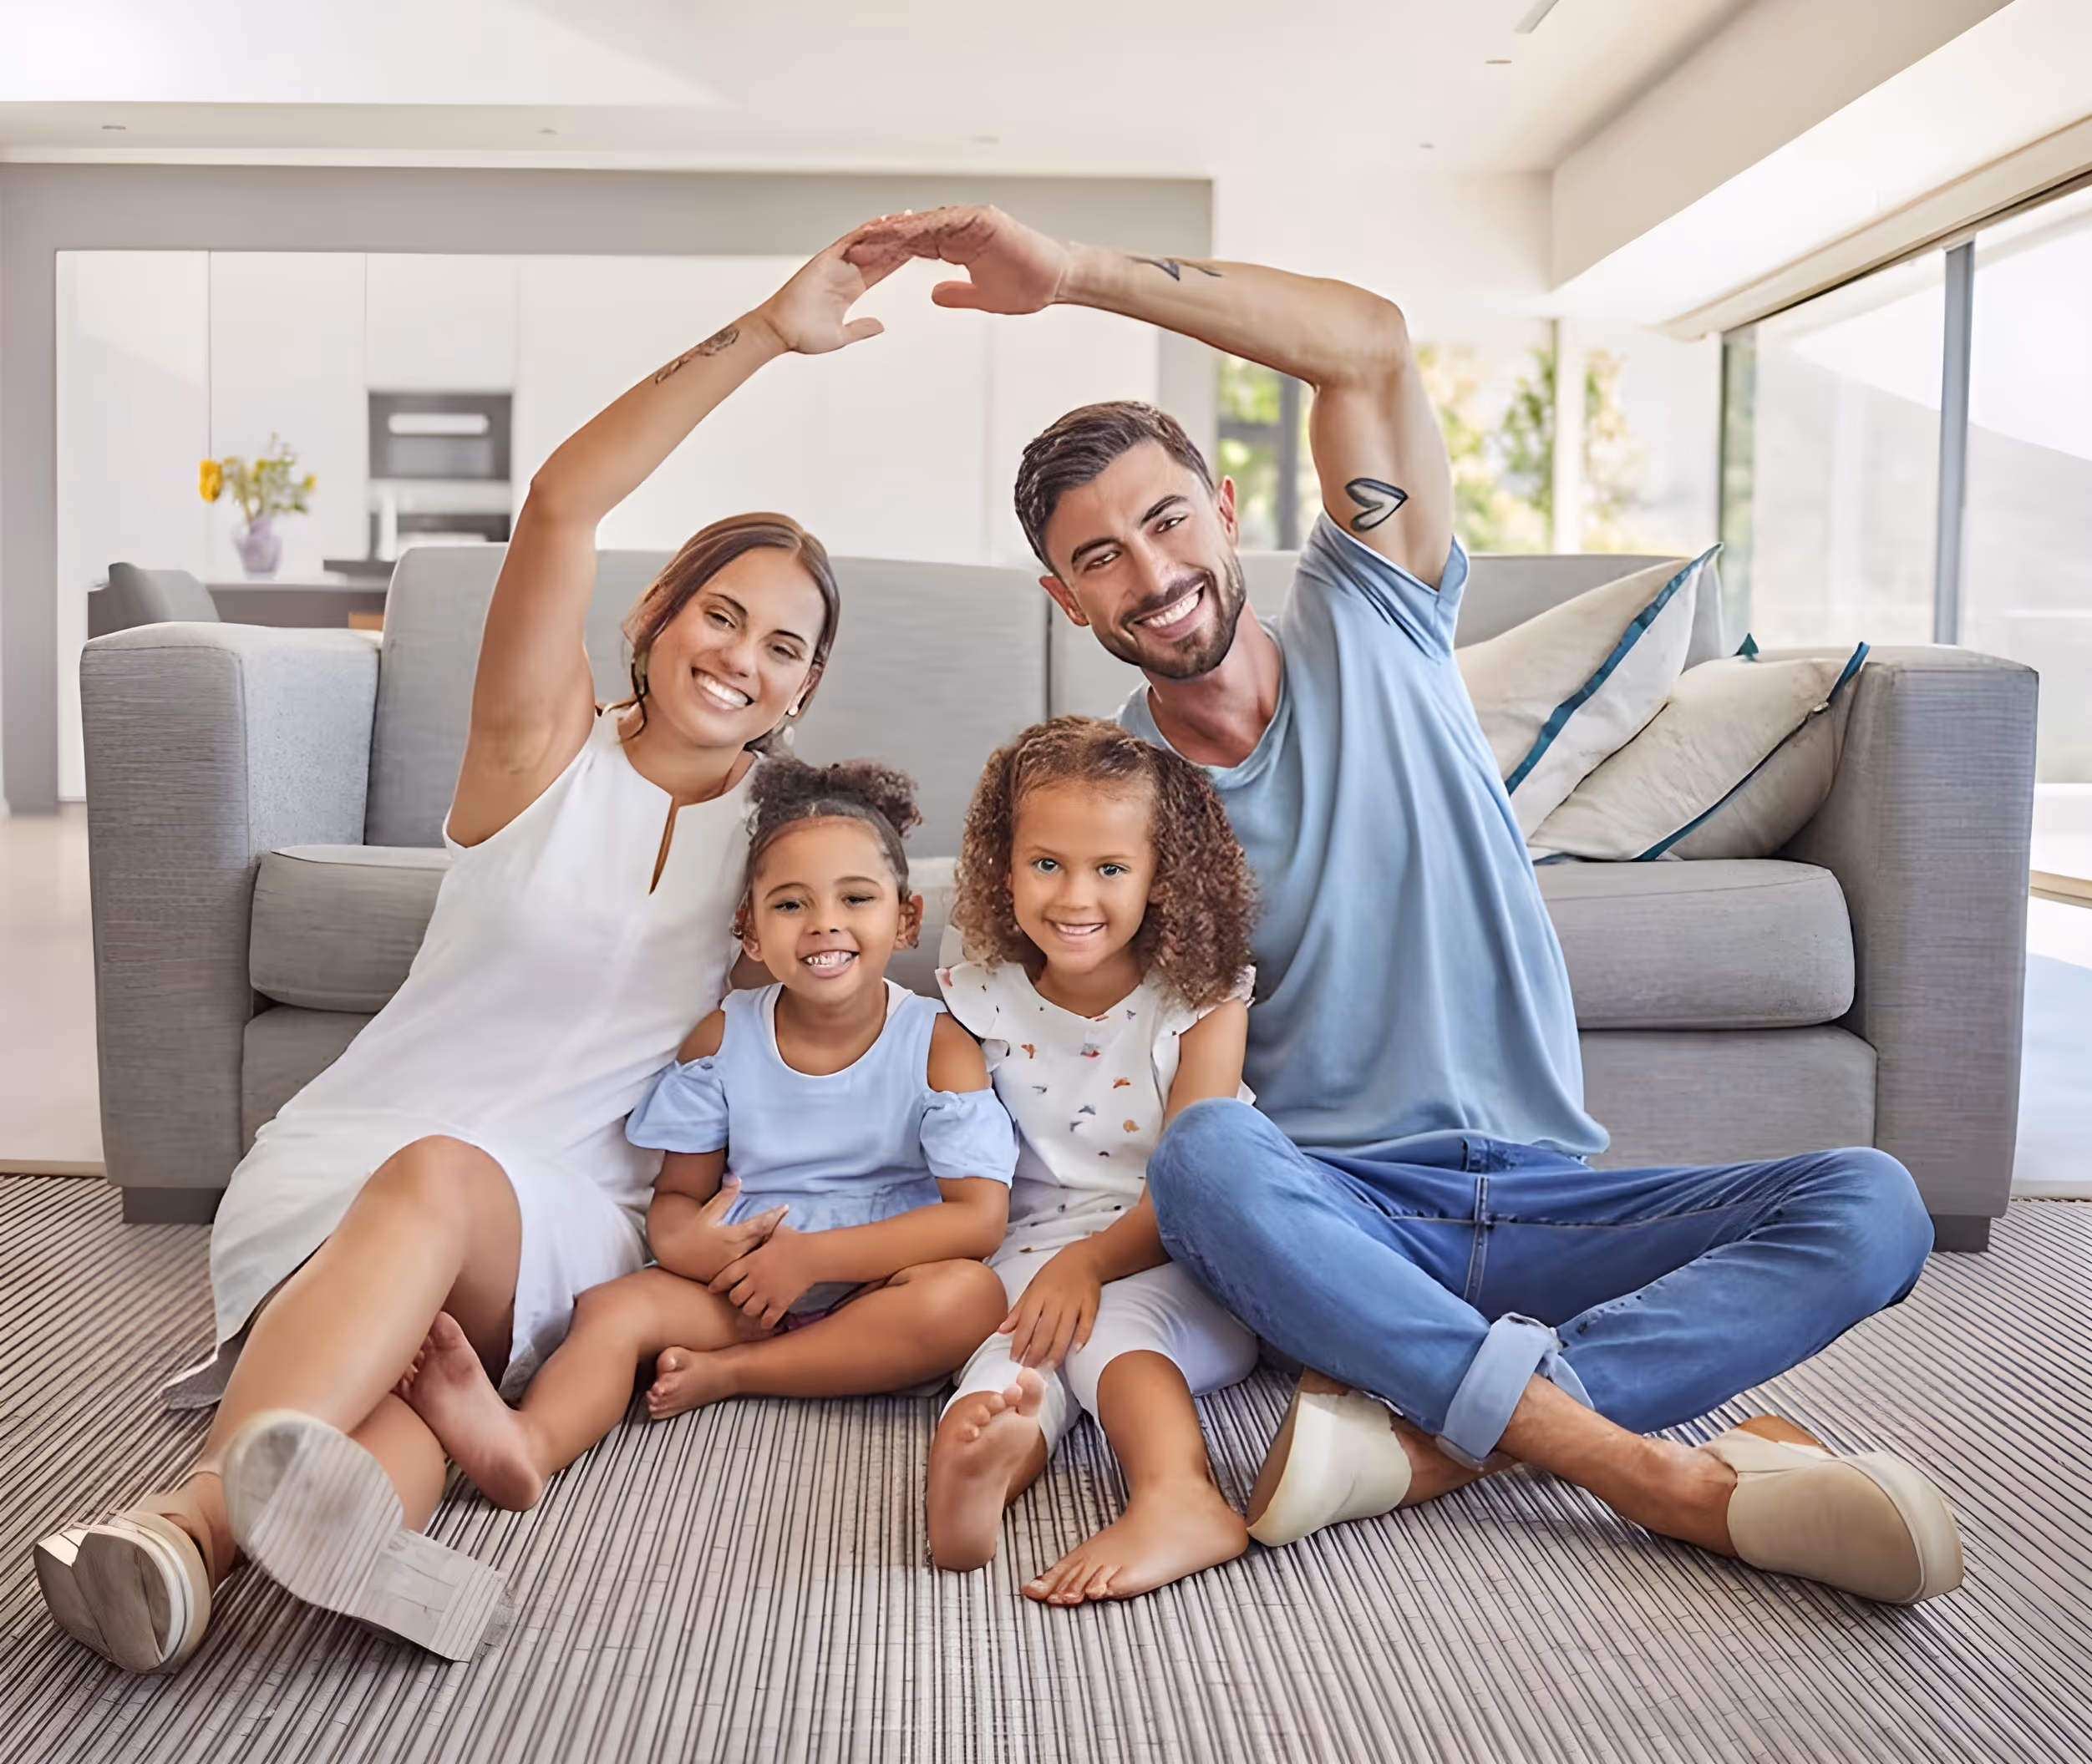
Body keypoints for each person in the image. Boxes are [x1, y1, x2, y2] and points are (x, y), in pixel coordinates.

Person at [849, 206, 1963, 1606]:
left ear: (1226, 512)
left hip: (1548, 1188)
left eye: (1164, 519)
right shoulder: (1124, 803)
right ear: (1064, 601)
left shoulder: (1375, 606)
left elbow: (1364, 345)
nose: (1149, 572)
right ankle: (1647, 1472)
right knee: (1204, 1160)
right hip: (1339, 1218)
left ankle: (1422, 1444)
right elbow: (1051, 974)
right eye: (1099, 559)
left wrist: (1071, 275)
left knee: (1870, 1203)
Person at [33, 231, 907, 1673]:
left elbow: (859, 974)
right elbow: (562, 499)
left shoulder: (782, 847)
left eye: (783, 646)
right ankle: (200, 1548)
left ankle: (184, 1525)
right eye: (720, 614)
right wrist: (764, 330)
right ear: (653, 616)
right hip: (356, 1161)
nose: (741, 657)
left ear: (804, 686)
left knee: (449, 1220)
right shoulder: (538, 749)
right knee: (416, 1354)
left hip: (563, 1213)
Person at [397, 758, 1017, 1512]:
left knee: (971, 1298)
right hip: (741, 1289)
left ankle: (737, 1374)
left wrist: (814, 1260)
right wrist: (696, 1250)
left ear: (906, 919)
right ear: (748, 931)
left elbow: (977, 1218)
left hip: (879, 1289)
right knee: (611, 1312)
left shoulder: (937, 1043)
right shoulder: (722, 1040)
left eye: (856, 898)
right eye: (791, 904)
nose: (825, 922)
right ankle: (530, 1444)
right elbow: (678, 1199)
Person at [927, 717, 1261, 1604]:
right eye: (1047, 864)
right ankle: (980, 1467)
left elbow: (1202, 1174)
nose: (1075, 896)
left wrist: (1091, 1264)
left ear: (1159, 878)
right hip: (1036, 1246)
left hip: (1183, 1245)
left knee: (1103, 1331)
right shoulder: (976, 994)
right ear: (1004, 867)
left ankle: (1180, 1494)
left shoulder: (1202, 998)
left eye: (1110, 869)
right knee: (1009, 1355)